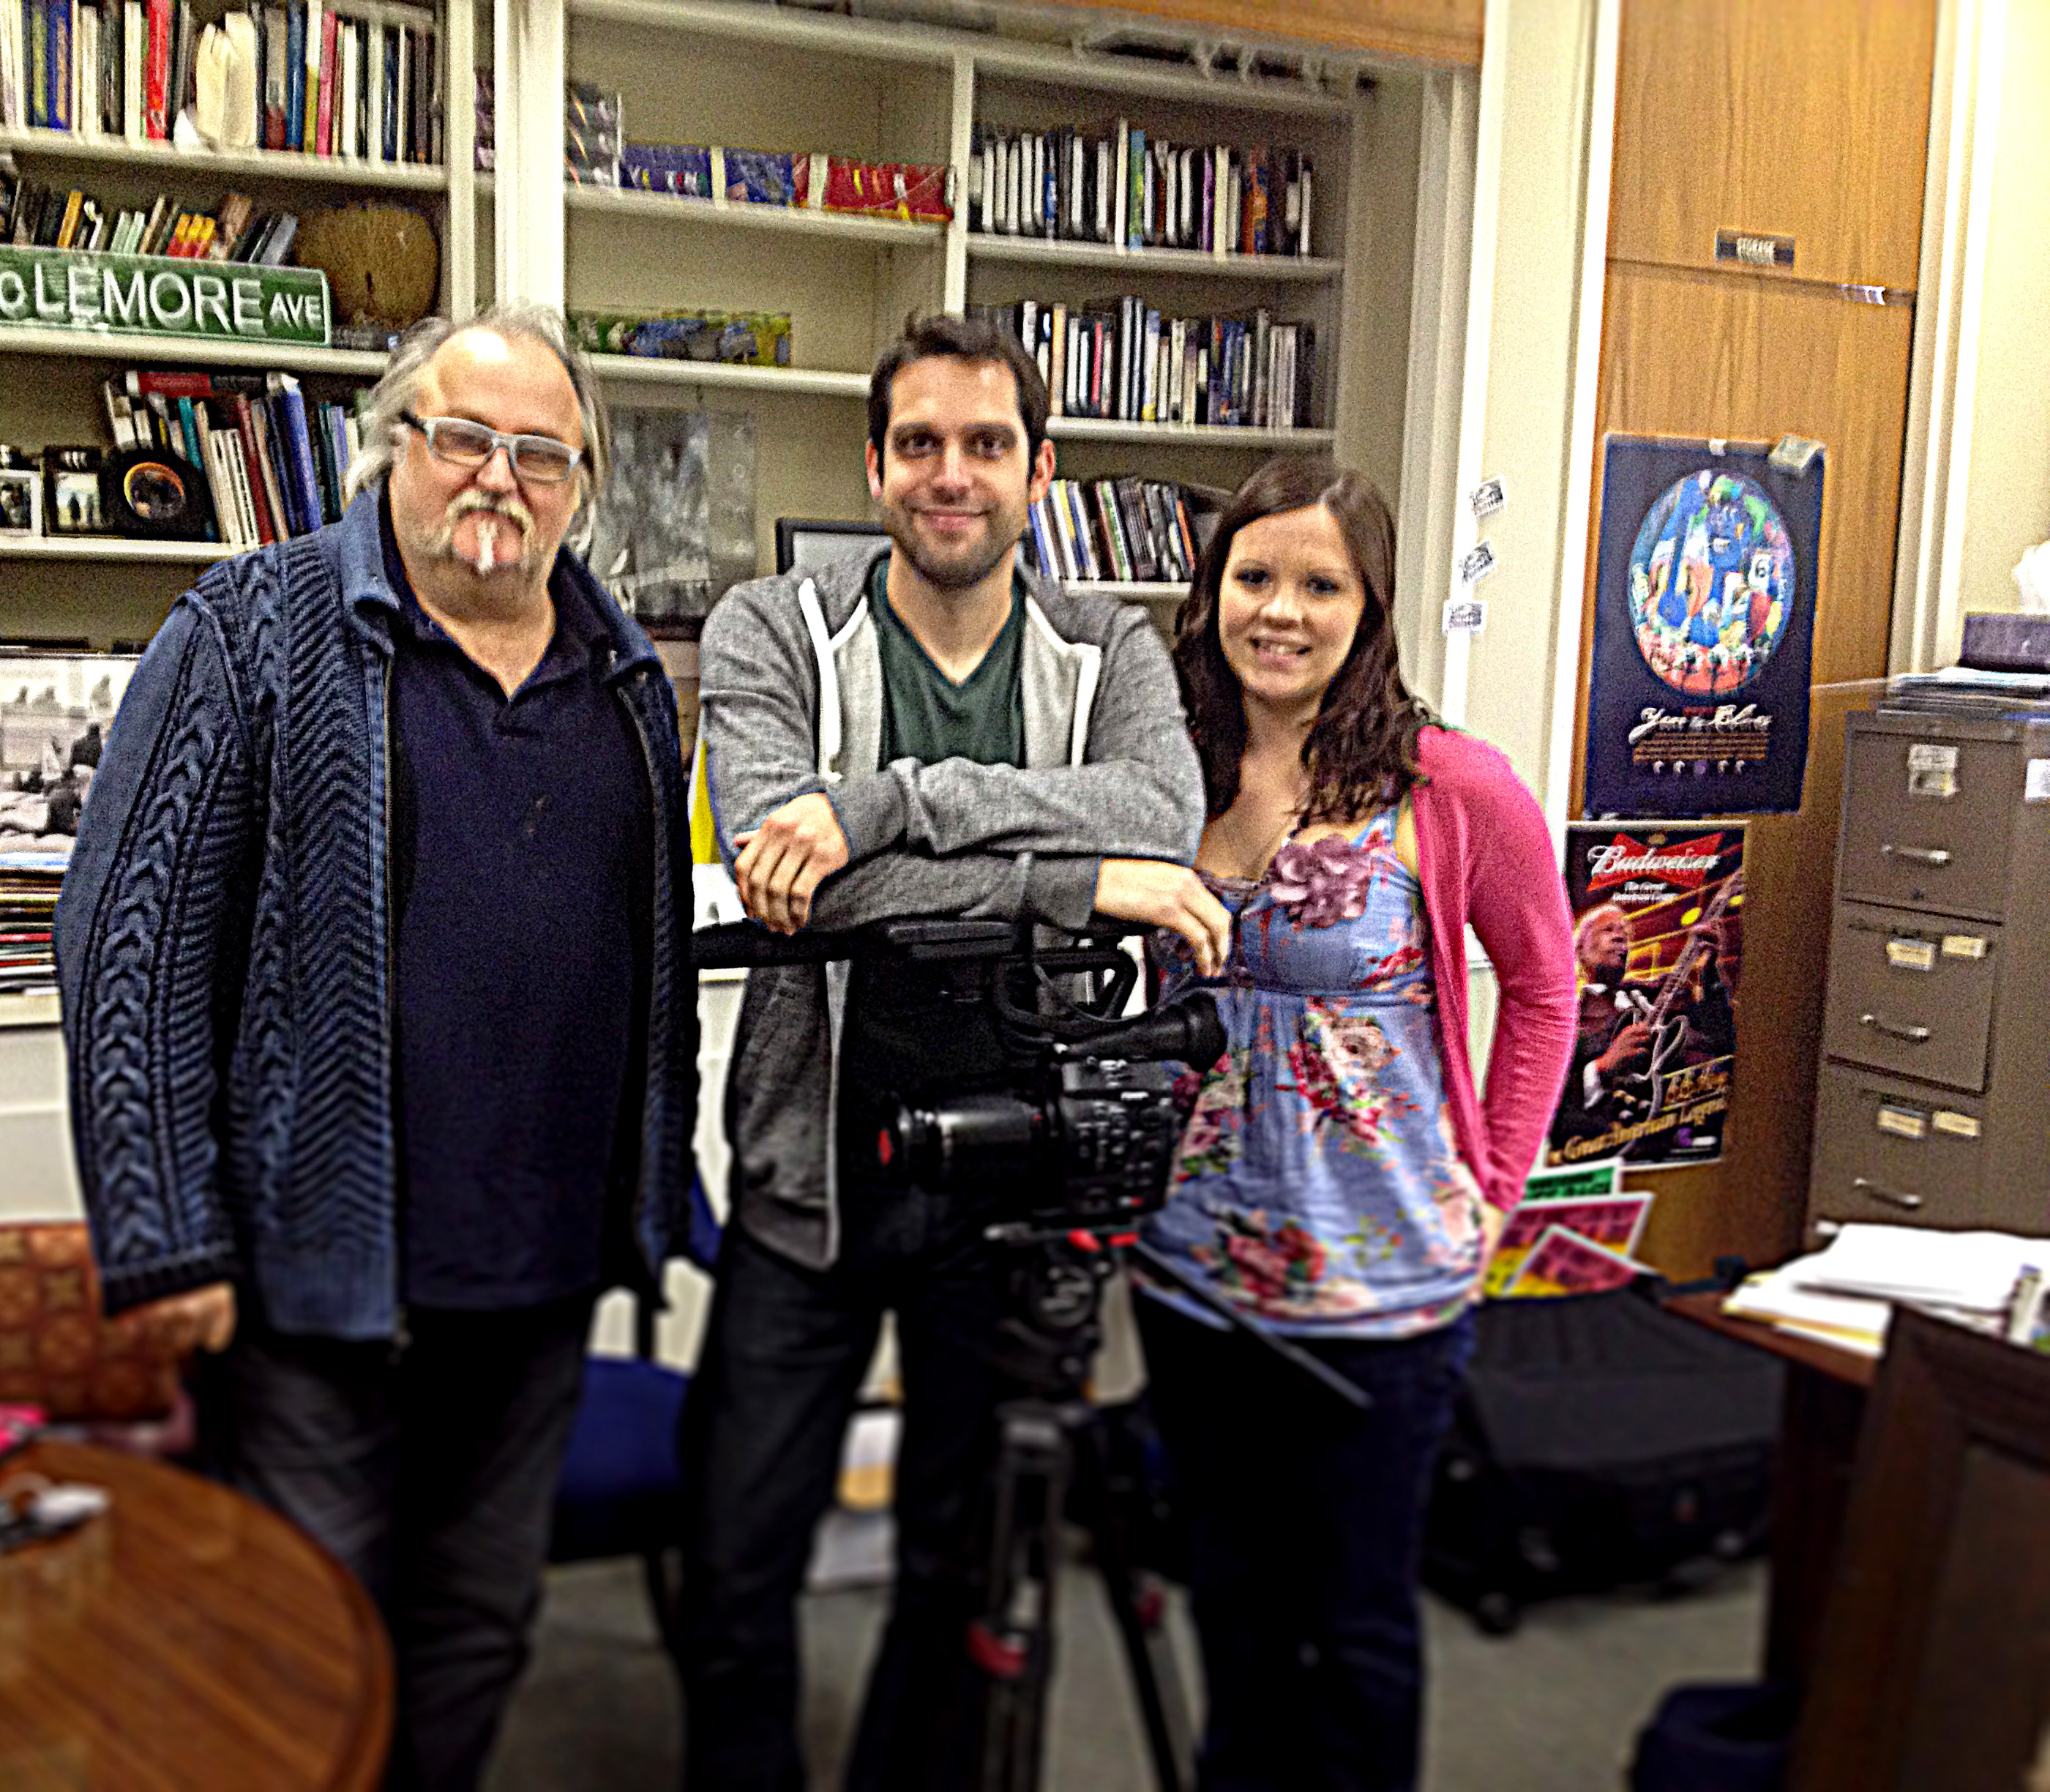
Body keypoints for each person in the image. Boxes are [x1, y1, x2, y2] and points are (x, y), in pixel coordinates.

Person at [54, 304, 697, 1792]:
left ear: (584, 482)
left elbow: (649, 960)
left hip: (535, 1276)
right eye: (465, 436)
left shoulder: (626, 684)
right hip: (312, 1284)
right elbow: (126, 946)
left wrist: (647, 1193)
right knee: (299, 1643)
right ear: (392, 445)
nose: (499, 478)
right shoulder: (251, 629)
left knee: (477, 1627)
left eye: (542, 452)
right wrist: (165, 1238)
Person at [680, 311, 1232, 1792]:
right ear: (874, 467)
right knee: (733, 1566)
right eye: (919, 443)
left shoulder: (1106, 645)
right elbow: (794, 884)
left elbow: (1158, 821)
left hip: (1008, 1194)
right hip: (813, 1179)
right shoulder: (770, 630)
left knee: (961, 1569)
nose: (952, 475)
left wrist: (883, 805)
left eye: (987, 444)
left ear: (1039, 471)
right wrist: (1062, 879)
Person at [1136, 458, 1576, 1792]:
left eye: (1317, 583)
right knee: (1233, 1608)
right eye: (1251, 577)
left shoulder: (1450, 786)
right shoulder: (1163, 764)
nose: (1278, 610)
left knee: (1356, 1623)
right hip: (1193, 1273)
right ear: (1210, 592)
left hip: (1381, 1281)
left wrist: (1494, 1180)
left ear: (1367, 605)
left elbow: (1547, 987)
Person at [1554, 896, 1735, 1157]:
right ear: (1580, 950)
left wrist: (1711, 970)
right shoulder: (1568, 1019)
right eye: (1608, 930)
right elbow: (1551, 1100)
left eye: (1624, 934)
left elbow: (1716, 1034)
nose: (1620, 939)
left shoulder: (1659, 990)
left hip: (1687, 1130)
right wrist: (1603, 1066)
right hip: (1612, 1144)